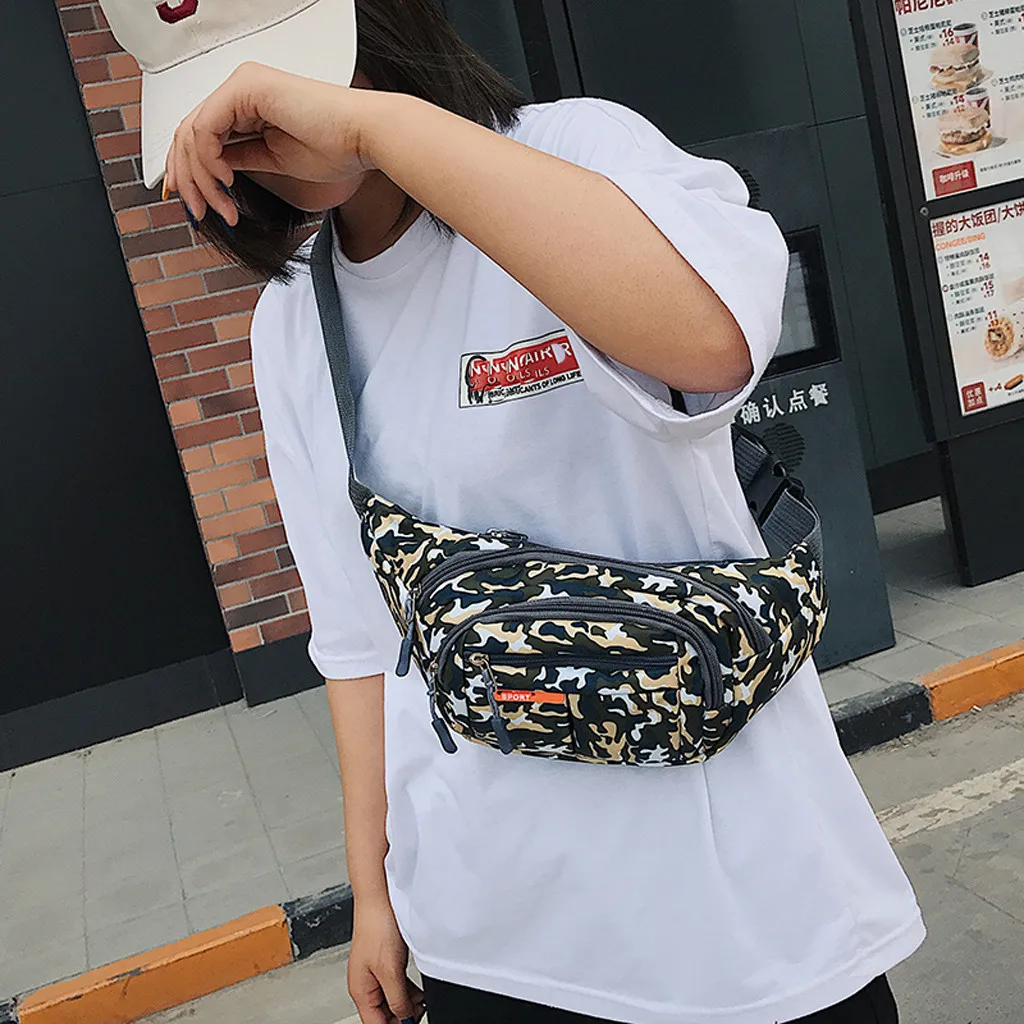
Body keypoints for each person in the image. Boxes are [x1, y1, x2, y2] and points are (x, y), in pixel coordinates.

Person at [105, 0, 926, 1020]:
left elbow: (710, 338)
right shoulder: (293, 321)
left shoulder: (580, 150)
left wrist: (372, 127)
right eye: (228, 108)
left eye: (281, 75)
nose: (266, 118)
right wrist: (376, 896)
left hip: (743, 920)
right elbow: (360, 639)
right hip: (490, 934)